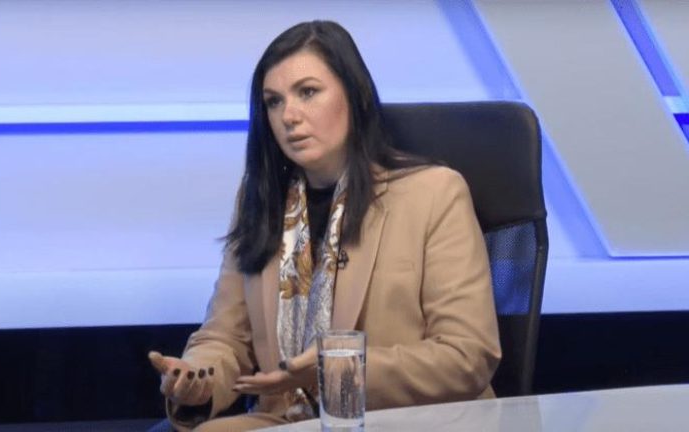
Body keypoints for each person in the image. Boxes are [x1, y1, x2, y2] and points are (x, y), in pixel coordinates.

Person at [148, 20, 500, 431]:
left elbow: (466, 356)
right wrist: (196, 378)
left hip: (404, 420)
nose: (289, 116)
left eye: (308, 92)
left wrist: (333, 369)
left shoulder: (434, 193)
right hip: (289, 419)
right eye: (273, 101)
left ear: (353, 95)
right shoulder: (260, 199)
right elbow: (225, 337)